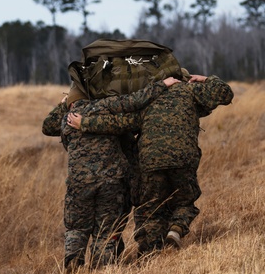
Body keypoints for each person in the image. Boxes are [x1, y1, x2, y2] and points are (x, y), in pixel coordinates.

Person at [68, 73, 232, 256]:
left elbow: (119, 123)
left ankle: (149, 252)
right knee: (185, 200)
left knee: (150, 208)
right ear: (184, 79)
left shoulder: (148, 98)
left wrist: (85, 123)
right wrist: (206, 79)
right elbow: (224, 93)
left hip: (150, 160)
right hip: (183, 158)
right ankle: (176, 229)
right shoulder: (191, 92)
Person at [45, 77, 181, 273]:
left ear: (71, 100)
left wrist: (63, 105)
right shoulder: (106, 108)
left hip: (79, 183)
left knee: (77, 228)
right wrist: (162, 84)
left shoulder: (67, 119)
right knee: (106, 232)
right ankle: (102, 272)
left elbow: (47, 126)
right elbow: (135, 100)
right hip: (111, 182)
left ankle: (73, 264)